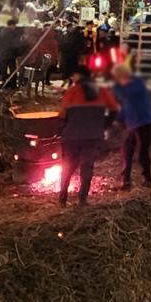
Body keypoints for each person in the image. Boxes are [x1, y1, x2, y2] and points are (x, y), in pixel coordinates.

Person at [58, 66, 118, 206]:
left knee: (68, 167)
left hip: (71, 136)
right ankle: (82, 200)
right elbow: (114, 110)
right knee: (87, 167)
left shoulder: (71, 92)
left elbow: (62, 116)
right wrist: (104, 125)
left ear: (78, 77)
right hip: (92, 135)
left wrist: (61, 131)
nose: (72, 79)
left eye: (74, 76)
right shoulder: (102, 91)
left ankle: (62, 200)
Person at [112, 63, 151, 190]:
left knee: (137, 152)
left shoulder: (132, 88)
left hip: (140, 123)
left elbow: (127, 107)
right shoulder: (136, 85)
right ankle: (130, 179)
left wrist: (118, 120)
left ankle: (142, 179)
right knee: (129, 151)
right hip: (138, 122)